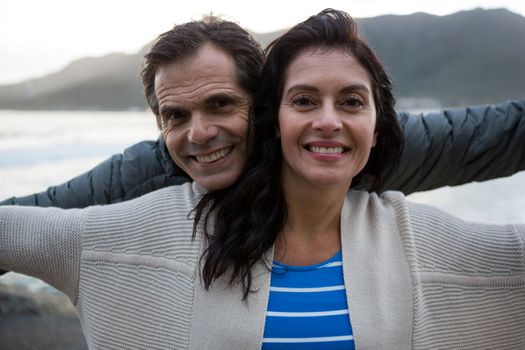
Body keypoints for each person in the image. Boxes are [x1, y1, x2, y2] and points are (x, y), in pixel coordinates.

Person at [0, 11, 524, 349]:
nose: (200, 133)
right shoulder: (151, 171)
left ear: (264, 104)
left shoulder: (350, 140)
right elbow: (32, 219)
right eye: (175, 115)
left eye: (222, 104)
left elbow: (490, 136)